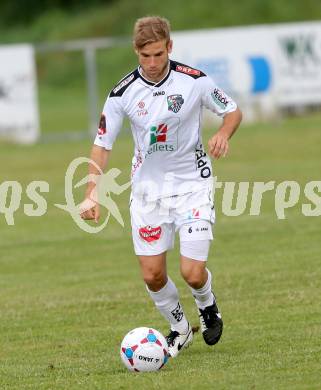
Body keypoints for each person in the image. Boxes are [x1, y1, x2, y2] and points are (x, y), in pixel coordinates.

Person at [80, 16, 242, 358]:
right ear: (136, 52)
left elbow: (232, 111)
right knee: (153, 275)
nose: (152, 64)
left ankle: (206, 303)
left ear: (169, 47)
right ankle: (180, 328)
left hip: (192, 186)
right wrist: (91, 191)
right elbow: (102, 145)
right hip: (148, 193)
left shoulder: (194, 81)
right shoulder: (122, 93)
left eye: (157, 54)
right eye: (145, 57)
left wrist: (223, 133)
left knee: (192, 272)